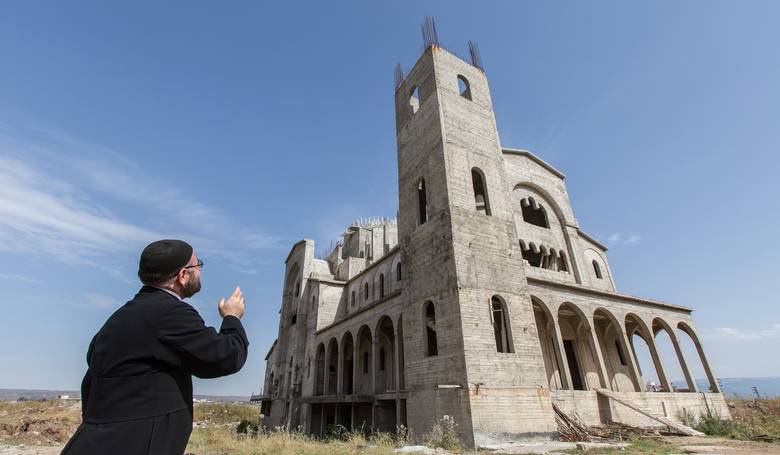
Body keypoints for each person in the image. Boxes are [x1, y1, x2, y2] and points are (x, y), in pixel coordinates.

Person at [61, 239, 249, 455]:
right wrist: (232, 317)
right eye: (198, 265)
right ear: (183, 275)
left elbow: (90, 383)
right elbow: (226, 356)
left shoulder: (119, 318)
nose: (200, 271)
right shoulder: (171, 314)